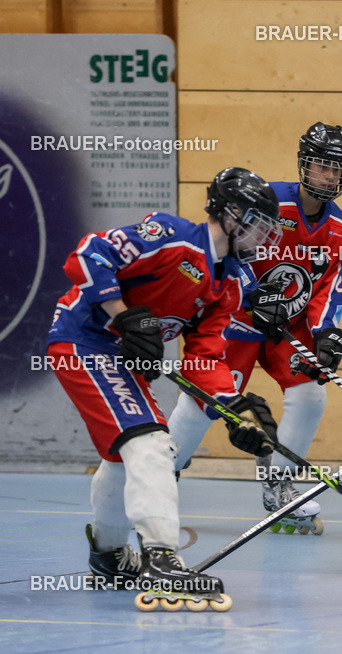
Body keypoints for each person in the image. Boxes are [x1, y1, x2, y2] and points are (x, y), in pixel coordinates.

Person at [47, 167, 283, 607]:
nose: (264, 240)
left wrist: (231, 410)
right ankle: (161, 558)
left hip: (122, 358)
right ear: (232, 215)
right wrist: (123, 314)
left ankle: (110, 555)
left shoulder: (228, 282)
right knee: (152, 443)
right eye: (260, 227)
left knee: (126, 455)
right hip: (85, 339)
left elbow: (203, 360)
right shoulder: (171, 236)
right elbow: (87, 253)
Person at [167, 123, 342, 535]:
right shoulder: (269, 202)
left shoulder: (340, 229)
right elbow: (226, 247)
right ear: (304, 164)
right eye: (321, 165)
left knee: (310, 394)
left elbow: (330, 286)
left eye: (337, 169)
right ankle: (163, 475)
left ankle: (279, 485)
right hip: (234, 321)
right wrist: (251, 293)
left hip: (283, 329)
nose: (328, 176)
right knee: (204, 403)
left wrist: (327, 333)